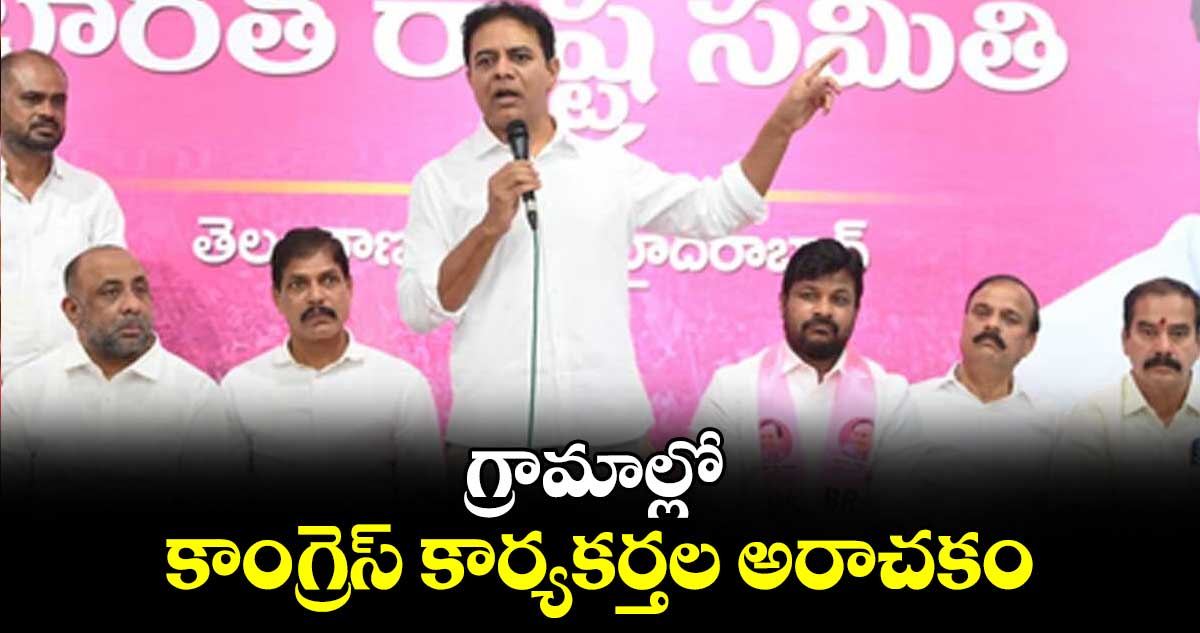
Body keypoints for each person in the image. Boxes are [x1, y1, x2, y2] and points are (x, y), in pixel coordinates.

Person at [398, 1, 846, 459]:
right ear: (469, 77)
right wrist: (488, 229)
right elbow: (419, 311)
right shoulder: (441, 181)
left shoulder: (607, 167)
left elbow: (716, 211)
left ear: (552, 71)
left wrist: (781, 127)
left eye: (520, 56)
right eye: (485, 61)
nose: (502, 71)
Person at [689, 239, 918, 514]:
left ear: (857, 311)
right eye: (809, 295)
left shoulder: (890, 394)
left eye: (839, 299)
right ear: (783, 302)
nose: (824, 310)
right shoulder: (732, 388)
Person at [0, 246, 245, 498]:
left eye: (140, 290)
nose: (132, 305)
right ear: (73, 310)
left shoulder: (197, 396)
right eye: (111, 293)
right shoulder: (26, 389)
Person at [221, 228, 443, 497]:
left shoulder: (402, 386)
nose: (316, 296)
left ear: (349, 288)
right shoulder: (240, 388)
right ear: (277, 298)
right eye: (298, 285)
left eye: (328, 280)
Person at [1, 50, 126, 379]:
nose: (47, 112)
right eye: (32, 99)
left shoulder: (91, 194)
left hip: (72, 386)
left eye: (58, 101)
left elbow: (112, 293)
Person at [906, 275, 1057, 506]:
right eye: (982, 312)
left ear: (1029, 344)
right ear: (964, 323)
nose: (992, 325)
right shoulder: (908, 406)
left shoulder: (1052, 427)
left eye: (1010, 319)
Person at [1053, 277, 1200, 510]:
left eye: (1178, 333)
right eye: (1148, 332)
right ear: (1125, 340)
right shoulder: (1092, 419)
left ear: (1198, 343)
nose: (1163, 347)